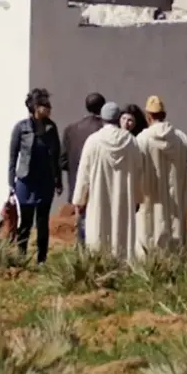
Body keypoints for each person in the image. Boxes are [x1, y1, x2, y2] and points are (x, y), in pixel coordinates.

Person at [72, 101, 145, 262]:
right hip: (123, 198)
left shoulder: (93, 141)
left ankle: (100, 266)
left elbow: (84, 172)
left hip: (99, 197)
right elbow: (139, 171)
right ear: (118, 118)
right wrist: (138, 198)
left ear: (102, 118)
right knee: (121, 234)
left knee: (99, 230)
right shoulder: (131, 141)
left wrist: (79, 200)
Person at [136, 95, 187, 257]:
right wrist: (186, 180)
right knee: (176, 233)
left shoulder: (142, 139)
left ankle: (151, 270)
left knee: (150, 232)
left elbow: (134, 167)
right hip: (176, 197)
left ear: (148, 116)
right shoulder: (180, 137)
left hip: (151, 196)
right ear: (164, 115)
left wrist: (138, 189)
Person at [8, 88, 62, 263]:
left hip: (45, 181)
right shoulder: (21, 128)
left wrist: (58, 180)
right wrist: (11, 183)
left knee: (42, 222)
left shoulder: (51, 128)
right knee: (25, 222)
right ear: (34, 107)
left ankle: (42, 259)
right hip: (26, 181)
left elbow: (56, 155)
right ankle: (21, 256)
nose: (48, 108)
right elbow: (13, 156)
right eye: (44, 105)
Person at [61, 92, 105, 245]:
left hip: (77, 185)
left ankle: (82, 256)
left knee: (82, 222)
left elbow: (63, 161)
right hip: (100, 184)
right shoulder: (105, 130)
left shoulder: (71, 129)